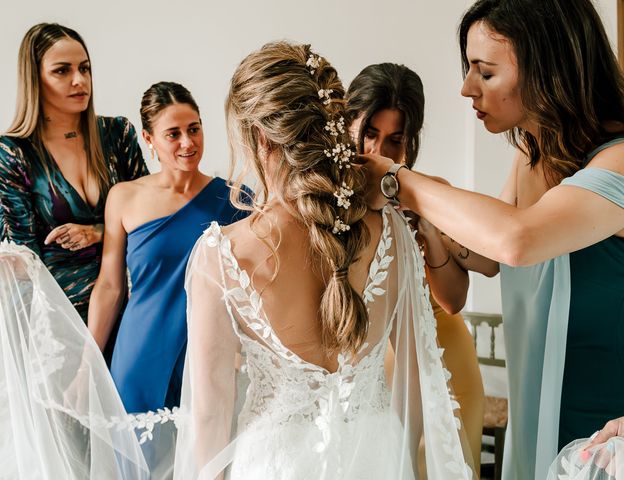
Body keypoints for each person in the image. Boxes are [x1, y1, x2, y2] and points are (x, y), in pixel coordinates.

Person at [173, 41, 475, 480]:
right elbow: (413, 379)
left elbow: (209, 416)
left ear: (258, 136)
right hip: (377, 456)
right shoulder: (389, 231)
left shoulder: (221, 255)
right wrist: (401, 460)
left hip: (276, 465)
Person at [356, 1, 624, 478]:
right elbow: (484, 256)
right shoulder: (533, 155)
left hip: (602, 428)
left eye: (485, 72)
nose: (466, 88)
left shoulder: (618, 162)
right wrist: (425, 219)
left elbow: (516, 240)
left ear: (546, 70)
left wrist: (399, 180)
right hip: (537, 413)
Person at [346, 62, 496, 474]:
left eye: (395, 140)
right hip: (373, 376)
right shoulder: (330, 204)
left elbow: (453, 300)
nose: (379, 152)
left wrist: (428, 227)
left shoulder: (431, 192)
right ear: (346, 125)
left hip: (447, 363)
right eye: (369, 134)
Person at [87, 81, 249, 415]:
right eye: (173, 134)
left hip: (209, 354)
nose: (187, 143)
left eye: (194, 129)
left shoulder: (236, 198)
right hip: (140, 351)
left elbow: (252, 288)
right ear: (149, 139)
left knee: (203, 460)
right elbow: (109, 286)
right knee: (137, 462)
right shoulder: (124, 197)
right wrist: (86, 364)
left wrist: (240, 351)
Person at [0, 23, 148, 326]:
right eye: (62, 71)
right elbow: (22, 259)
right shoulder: (9, 152)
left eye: (84, 69)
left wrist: (98, 232)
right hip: (55, 317)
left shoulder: (117, 134)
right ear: (35, 79)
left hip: (130, 304)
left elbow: (150, 221)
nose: (79, 80)